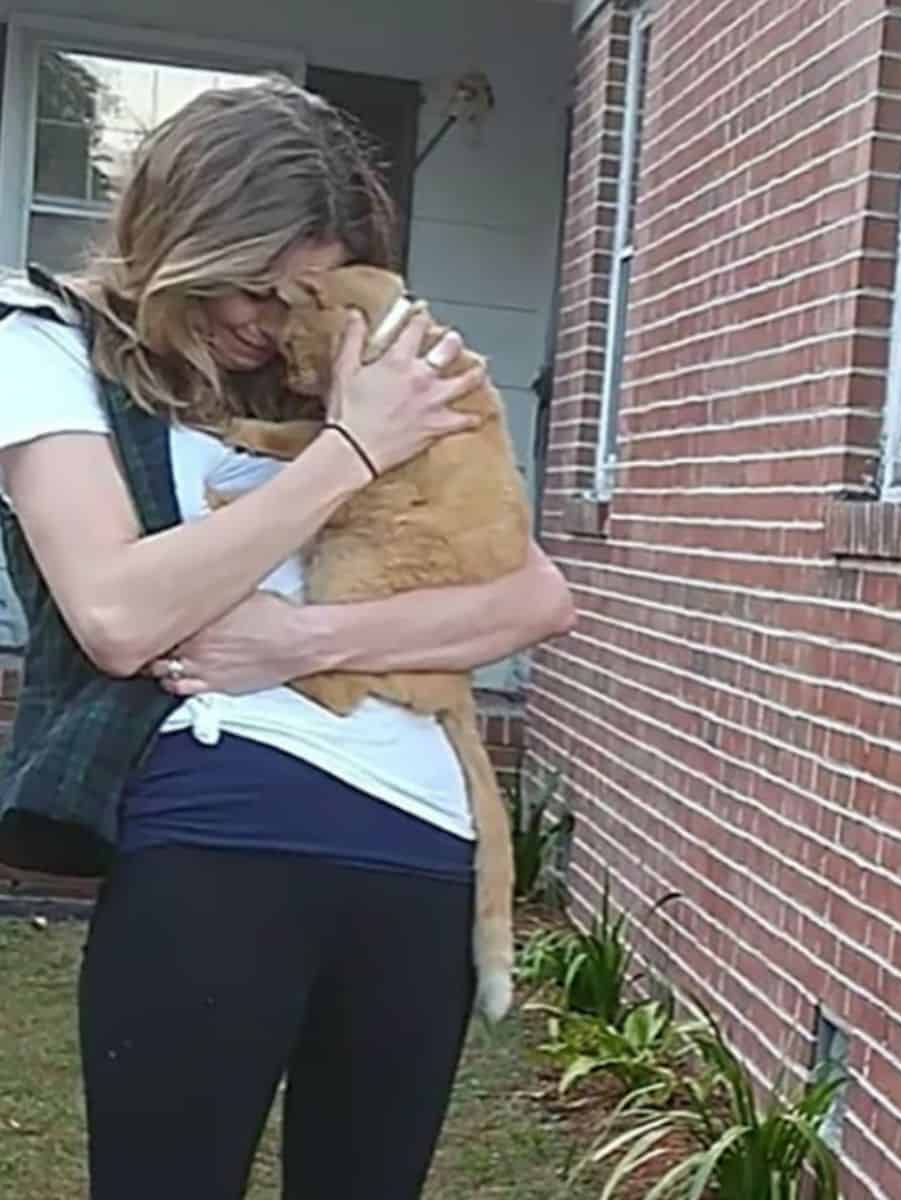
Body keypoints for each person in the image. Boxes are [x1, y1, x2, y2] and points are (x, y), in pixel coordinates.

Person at [0, 78, 574, 1200]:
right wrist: (350, 450)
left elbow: (535, 600)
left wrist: (296, 637)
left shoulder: (362, 365)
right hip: (218, 841)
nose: (272, 320)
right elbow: (116, 614)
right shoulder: (43, 343)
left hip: (421, 846)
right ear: (181, 235)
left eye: (303, 289)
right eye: (254, 284)